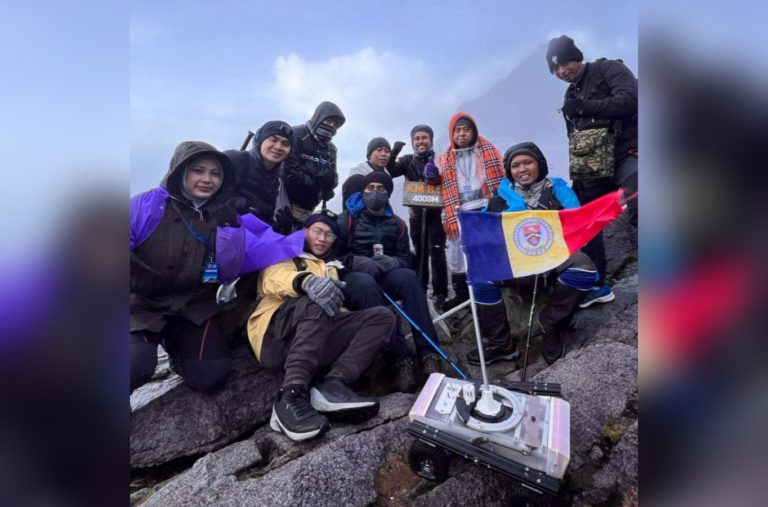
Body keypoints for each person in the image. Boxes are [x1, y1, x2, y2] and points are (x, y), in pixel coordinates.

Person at [130, 141, 303, 394]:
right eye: (198, 170)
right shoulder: (148, 205)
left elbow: (227, 272)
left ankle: (175, 347)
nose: (207, 179)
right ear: (180, 171)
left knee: (211, 377)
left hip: (192, 308)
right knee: (134, 366)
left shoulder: (225, 215)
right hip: (140, 305)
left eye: (215, 173)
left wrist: (230, 233)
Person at [247, 212, 394, 441]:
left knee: (382, 317)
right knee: (318, 300)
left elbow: (335, 311)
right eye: (318, 231)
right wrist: (305, 281)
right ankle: (290, 396)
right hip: (274, 337)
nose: (323, 238)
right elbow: (272, 279)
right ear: (305, 231)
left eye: (329, 235)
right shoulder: (287, 250)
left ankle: (333, 384)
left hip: (312, 337)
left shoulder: (331, 266)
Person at [471, 142, 599, 365]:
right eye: (516, 165)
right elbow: (486, 234)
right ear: (509, 171)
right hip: (516, 263)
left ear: (539, 163)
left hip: (554, 258)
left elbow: (580, 226)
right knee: (480, 278)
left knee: (583, 270)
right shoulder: (499, 198)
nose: (522, 169)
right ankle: (502, 344)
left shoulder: (558, 190)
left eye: (527, 162)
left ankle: (551, 322)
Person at [547, 34, 638, 308]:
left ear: (577, 56)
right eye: (556, 69)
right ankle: (597, 285)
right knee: (583, 220)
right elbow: (575, 140)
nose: (563, 71)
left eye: (565, 63)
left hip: (627, 154)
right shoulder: (570, 94)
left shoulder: (608, 69)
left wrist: (585, 107)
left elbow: (631, 101)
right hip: (593, 167)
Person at [335, 171, 442, 392]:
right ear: (362, 191)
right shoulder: (347, 219)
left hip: (385, 275)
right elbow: (332, 256)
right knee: (366, 283)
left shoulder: (398, 223)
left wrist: (393, 262)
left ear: (388, 193)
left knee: (409, 278)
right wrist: (355, 261)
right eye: (370, 187)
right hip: (355, 278)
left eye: (381, 188)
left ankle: (428, 353)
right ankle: (399, 359)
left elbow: (405, 259)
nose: (375, 192)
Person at [430, 112, 506, 311]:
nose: (461, 134)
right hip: (458, 211)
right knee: (457, 254)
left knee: (485, 250)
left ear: (474, 132)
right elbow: (438, 181)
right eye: (457, 130)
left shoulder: (488, 150)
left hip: (484, 206)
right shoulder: (445, 157)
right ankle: (463, 296)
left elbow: (501, 174)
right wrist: (431, 176)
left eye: (466, 129)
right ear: (451, 134)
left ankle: (489, 293)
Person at [386, 125, 449, 310]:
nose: (421, 141)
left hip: (436, 215)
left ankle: (441, 293)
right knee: (421, 252)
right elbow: (391, 170)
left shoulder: (440, 159)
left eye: (424, 138)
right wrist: (395, 149)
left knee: (437, 253)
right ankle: (420, 289)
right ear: (413, 142)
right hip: (416, 215)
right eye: (417, 139)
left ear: (431, 140)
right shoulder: (406, 160)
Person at [281, 101, 346, 229]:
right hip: (285, 205)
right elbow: (289, 172)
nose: (331, 126)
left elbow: (332, 180)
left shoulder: (331, 148)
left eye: (335, 124)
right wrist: (318, 182)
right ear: (318, 117)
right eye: (328, 121)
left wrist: (328, 185)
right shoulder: (296, 134)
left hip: (310, 209)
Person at [224, 120, 295, 233]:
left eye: (285, 143)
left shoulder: (276, 180)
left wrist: (275, 227)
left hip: (243, 241)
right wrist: (246, 205)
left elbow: (263, 219)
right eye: (273, 140)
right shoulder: (236, 159)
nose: (279, 147)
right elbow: (209, 200)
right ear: (260, 140)